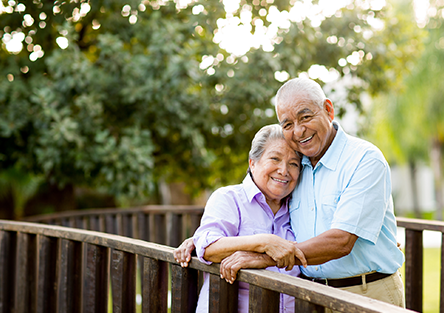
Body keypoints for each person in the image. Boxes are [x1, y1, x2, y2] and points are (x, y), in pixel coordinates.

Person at [175, 78, 405, 308]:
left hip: (365, 292)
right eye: (287, 124)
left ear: (328, 109)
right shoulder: (300, 165)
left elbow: (342, 241)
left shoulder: (364, 160)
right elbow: (256, 209)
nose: (298, 130)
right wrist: (202, 242)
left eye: (306, 117)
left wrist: (262, 257)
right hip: (313, 296)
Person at [177, 124, 307, 313]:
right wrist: (263, 242)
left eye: (293, 163)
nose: (284, 170)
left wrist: (259, 255)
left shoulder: (298, 208)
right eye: (275, 159)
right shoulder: (229, 198)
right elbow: (208, 248)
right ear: (252, 163)